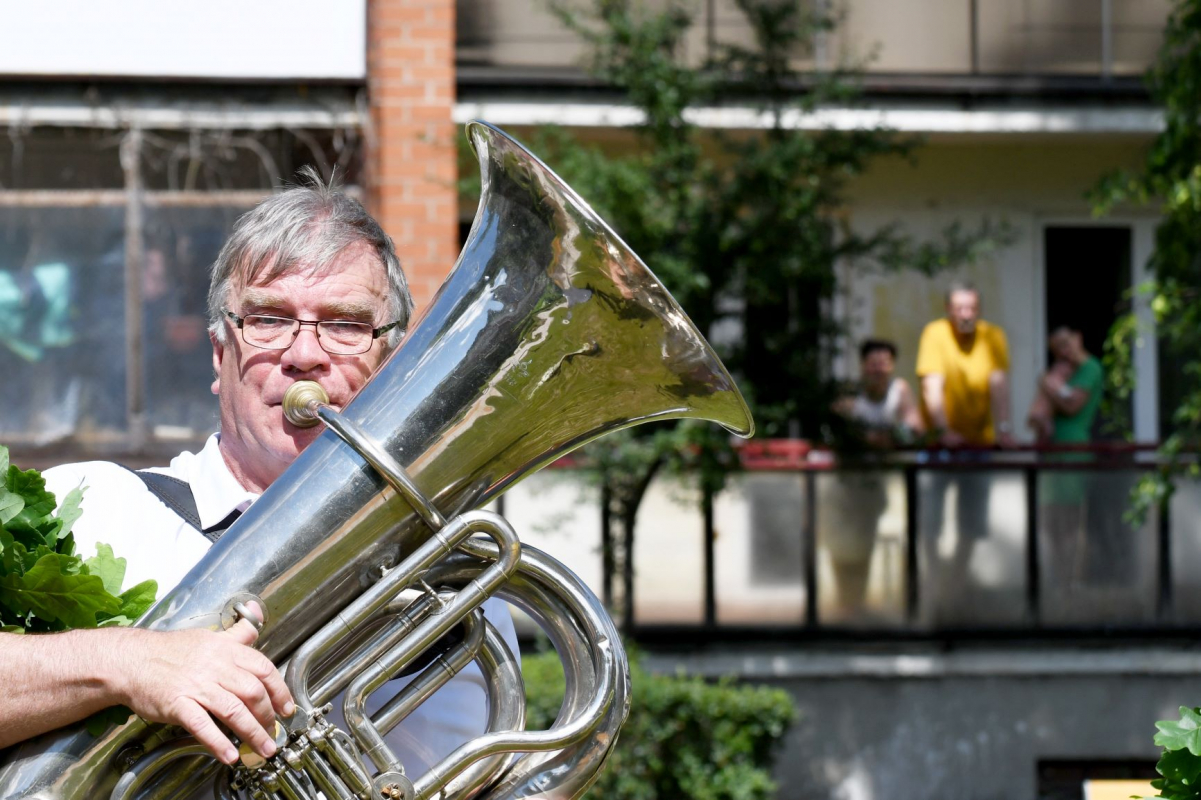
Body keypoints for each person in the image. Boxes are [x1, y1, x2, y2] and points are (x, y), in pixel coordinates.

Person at [0, 170, 519, 777]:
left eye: (346, 325)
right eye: (269, 318)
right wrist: (129, 661)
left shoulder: (455, 588)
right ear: (221, 356)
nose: (304, 355)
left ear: (389, 366)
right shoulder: (95, 505)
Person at [914, 282, 1014, 619]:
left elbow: (998, 384)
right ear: (948, 309)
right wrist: (943, 431)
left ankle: (952, 590)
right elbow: (932, 386)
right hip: (939, 446)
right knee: (929, 524)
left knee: (972, 525)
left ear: (979, 309)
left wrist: (1003, 428)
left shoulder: (993, 336)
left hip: (978, 444)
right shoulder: (935, 334)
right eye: (959, 308)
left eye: (971, 307)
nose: (966, 314)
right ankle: (932, 584)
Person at [825, 339, 923, 619]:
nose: (879, 369)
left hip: (878, 486)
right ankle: (847, 601)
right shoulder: (850, 395)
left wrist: (889, 437)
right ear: (863, 366)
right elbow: (837, 432)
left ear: (892, 366)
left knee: (865, 543)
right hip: (844, 486)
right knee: (842, 545)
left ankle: (858, 602)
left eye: (884, 363)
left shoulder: (899, 392)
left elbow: (916, 429)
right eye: (873, 363)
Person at [1026, 326, 1104, 588]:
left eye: (1066, 342)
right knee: (1050, 522)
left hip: (1073, 452)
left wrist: (1046, 384)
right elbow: (1034, 417)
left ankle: (1073, 581)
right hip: (1051, 453)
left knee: (1071, 522)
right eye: (1057, 347)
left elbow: (1072, 406)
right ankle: (1055, 581)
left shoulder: (1091, 368)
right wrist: (1049, 388)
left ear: (1079, 337)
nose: (1063, 351)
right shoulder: (1060, 373)